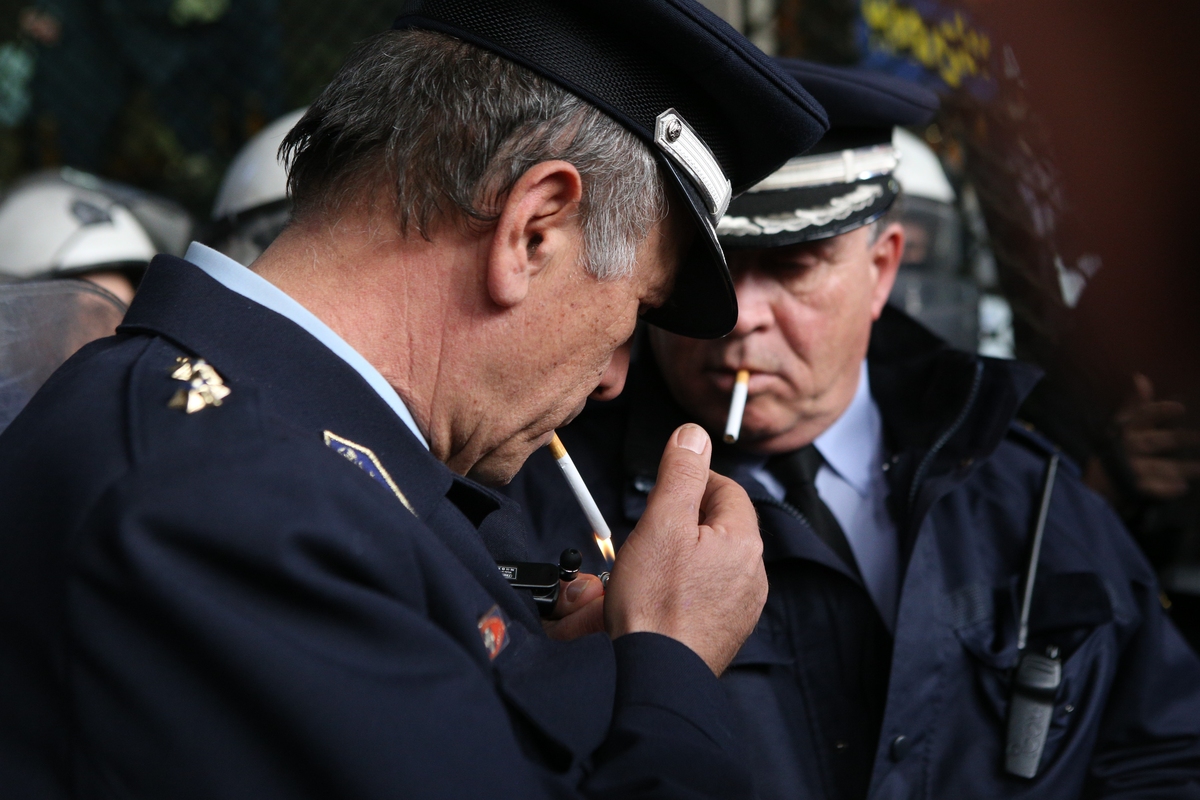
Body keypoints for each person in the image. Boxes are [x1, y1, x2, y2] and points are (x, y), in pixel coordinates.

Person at [0, 2, 832, 798]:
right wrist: (673, 661)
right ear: (533, 231)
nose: (616, 374)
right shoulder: (232, 505)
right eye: (634, 313)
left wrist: (557, 676)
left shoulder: (264, 455)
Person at [505, 59, 1200, 799]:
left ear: (883, 268)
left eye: (793, 266)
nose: (741, 316)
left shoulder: (1024, 494)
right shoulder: (547, 501)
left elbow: (1157, 754)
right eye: (709, 269)